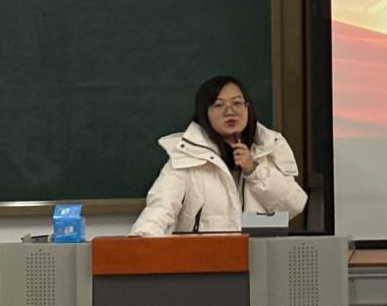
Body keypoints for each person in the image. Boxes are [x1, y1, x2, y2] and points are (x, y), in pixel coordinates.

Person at [131, 75, 307, 235]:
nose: (230, 111)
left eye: (237, 103)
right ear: (205, 113)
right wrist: (141, 240)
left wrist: (254, 170)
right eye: (218, 105)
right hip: (205, 256)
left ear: (247, 108)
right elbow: (161, 207)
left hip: (260, 254)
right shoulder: (187, 156)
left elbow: (294, 206)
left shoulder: (269, 148)